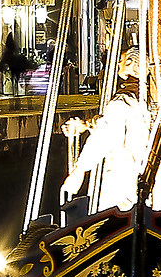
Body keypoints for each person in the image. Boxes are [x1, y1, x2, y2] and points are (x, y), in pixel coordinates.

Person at [61, 54, 150, 213]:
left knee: (111, 220)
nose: (118, 63)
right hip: (145, 174)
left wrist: (80, 170)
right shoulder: (148, 98)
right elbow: (111, 122)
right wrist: (86, 125)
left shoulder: (121, 101)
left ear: (129, 62)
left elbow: (105, 136)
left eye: (121, 60)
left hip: (122, 176)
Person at [1, 26, 20, 98]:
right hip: (14, 61)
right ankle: (15, 90)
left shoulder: (13, 36)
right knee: (15, 75)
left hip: (12, 61)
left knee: (13, 75)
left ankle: (15, 89)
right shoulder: (13, 36)